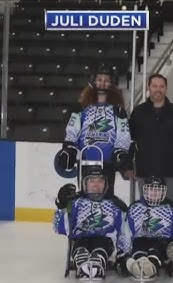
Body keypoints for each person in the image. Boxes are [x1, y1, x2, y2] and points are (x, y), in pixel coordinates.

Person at [55, 63, 132, 198]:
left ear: (112, 83)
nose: (102, 83)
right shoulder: (81, 108)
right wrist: (69, 148)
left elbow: (123, 135)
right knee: (85, 201)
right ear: (93, 80)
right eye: (100, 79)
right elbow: (72, 131)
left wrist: (120, 152)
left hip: (108, 164)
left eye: (106, 80)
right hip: (86, 163)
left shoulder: (117, 110)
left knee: (107, 201)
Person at [53, 167, 128, 283]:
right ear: (85, 184)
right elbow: (61, 228)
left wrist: (122, 254)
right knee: (80, 249)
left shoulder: (115, 205)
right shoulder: (76, 202)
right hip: (80, 240)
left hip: (105, 241)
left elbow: (123, 232)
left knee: (100, 249)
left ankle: (98, 262)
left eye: (100, 181)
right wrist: (62, 206)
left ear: (106, 184)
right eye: (91, 181)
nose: (96, 185)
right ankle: (82, 262)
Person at [129, 74, 173, 200]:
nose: (158, 89)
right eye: (154, 86)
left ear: (166, 88)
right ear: (148, 87)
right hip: (144, 171)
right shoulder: (138, 112)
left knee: (170, 209)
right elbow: (129, 140)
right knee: (146, 210)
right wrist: (128, 166)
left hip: (170, 171)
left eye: (161, 86)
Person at [114, 176, 173, 281]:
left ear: (164, 191)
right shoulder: (135, 207)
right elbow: (126, 232)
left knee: (159, 248)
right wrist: (123, 253)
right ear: (145, 190)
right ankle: (138, 263)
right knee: (138, 243)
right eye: (151, 189)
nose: (154, 192)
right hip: (142, 240)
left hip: (163, 242)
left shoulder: (171, 208)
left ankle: (152, 266)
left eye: (158, 189)